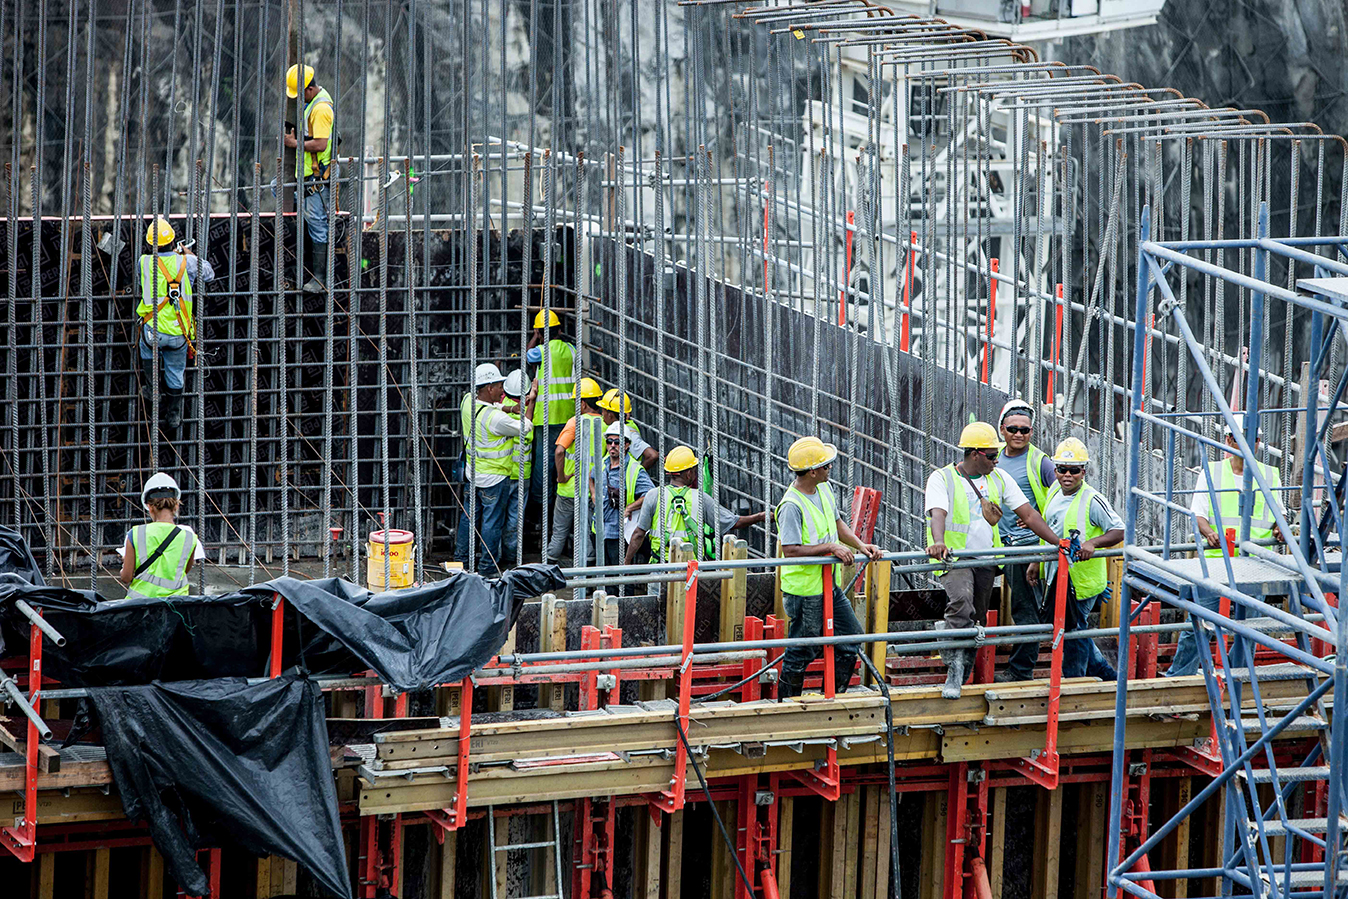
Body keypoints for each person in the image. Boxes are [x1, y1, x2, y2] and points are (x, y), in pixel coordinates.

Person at [925, 421, 1062, 698]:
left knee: (976, 620)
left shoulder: (998, 478)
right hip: (954, 558)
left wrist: (1058, 543)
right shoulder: (943, 478)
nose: (996, 459)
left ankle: (961, 675)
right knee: (961, 601)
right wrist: (939, 542)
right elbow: (937, 513)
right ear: (974, 454)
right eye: (990, 455)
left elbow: (1029, 515)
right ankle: (954, 673)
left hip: (986, 559)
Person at [1166, 416, 1285, 676]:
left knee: (1251, 627)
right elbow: (1198, 514)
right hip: (1218, 562)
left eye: (1249, 439)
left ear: (1258, 442)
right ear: (1228, 440)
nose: (1242, 444)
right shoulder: (1212, 471)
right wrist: (1209, 532)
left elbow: (1279, 515)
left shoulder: (1269, 474)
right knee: (1199, 624)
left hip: (1256, 564)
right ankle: (1179, 677)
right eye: (1237, 438)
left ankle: (1237, 677)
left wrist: (1280, 529)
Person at [775, 436, 883, 699]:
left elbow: (837, 524)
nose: (830, 469)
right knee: (803, 649)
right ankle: (787, 706)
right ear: (812, 471)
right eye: (826, 466)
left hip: (827, 585)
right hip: (804, 590)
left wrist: (861, 545)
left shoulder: (823, 489)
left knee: (850, 638)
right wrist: (830, 548)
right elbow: (789, 550)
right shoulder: (791, 506)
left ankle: (832, 698)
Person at [1028, 438, 1124, 680]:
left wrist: (1092, 543)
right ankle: (1103, 673)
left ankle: (1075, 681)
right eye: (1061, 470)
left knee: (1072, 632)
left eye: (1074, 470)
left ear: (1084, 471)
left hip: (1082, 581)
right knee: (1072, 629)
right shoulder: (1053, 491)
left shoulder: (1092, 499)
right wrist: (1037, 561)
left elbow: (1120, 530)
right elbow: (1050, 529)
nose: (1067, 476)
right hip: (1057, 576)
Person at [994, 398, 1058, 682]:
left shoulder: (1040, 461)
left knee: (1025, 609)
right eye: (1013, 428)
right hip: (997, 544)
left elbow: (1063, 498)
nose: (1019, 434)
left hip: (1027, 545)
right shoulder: (992, 456)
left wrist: (1037, 515)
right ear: (1002, 429)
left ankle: (1020, 672)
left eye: (1025, 430)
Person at [624, 446, 765, 565]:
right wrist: (759, 517)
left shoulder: (653, 495)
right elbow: (733, 522)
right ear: (689, 472)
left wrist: (626, 563)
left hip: (660, 567)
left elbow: (638, 534)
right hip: (690, 569)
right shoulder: (700, 498)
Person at [137, 217, 214, 432]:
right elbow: (209, 273)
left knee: (145, 346)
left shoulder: (144, 261)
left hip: (154, 331)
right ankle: (173, 415)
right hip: (180, 334)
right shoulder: (185, 263)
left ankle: (153, 389)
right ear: (173, 242)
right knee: (175, 372)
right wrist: (187, 255)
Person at [457, 363, 534, 576]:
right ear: (489, 388)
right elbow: (526, 426)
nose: (502, 391)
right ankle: (488, 568)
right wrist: (531, 402)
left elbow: (490, 406)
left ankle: (460, 561)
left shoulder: (467, 401)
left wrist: (510, 408)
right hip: (495, 478)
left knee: (468, 518)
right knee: (492, 524)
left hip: (473, 474)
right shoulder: (496, 420)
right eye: (499, 386)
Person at [283, 64, 335, 294]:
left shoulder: (321, 108)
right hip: (304, 175)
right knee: (278, 189)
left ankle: (321, 279)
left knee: (317, 224)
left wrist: (295, 144)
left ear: (309, 88)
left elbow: (321, 144)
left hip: (316, 177)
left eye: (300, 93)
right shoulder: (311, 104)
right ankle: (305, 265)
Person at [546, 377, 605, 565]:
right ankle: (588, 577)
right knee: (586, 534)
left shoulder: (575, 422)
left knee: (559, 533)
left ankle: (547, 569)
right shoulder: (607, 426)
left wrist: (561, 476)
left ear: (582, 403)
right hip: (591, 491)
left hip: (568, 490)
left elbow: (559, 451)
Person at [119, 472, 205, 599]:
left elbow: (126, 577)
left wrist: (126, 563)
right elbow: (183, 571)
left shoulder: (136, 534)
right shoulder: (189, 537)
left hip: (140, 608)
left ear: (150, 507)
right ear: (176, 505)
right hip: (176, 608)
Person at [526, 310, 575, 509]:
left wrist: (535, 337)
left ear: (540, 332)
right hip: (569, 416)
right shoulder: (571, 349)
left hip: (547, 416)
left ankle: (541, 504)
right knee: (566, 458)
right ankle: (563, 499)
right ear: (560, 330)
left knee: (544, 463)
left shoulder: (540, 351)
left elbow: (527, 357)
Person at [591, 421, 654, 568]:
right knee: (603, 573)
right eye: (609, 441)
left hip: (619, 533)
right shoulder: (603, 463)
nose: (612, 445)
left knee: (620, 575)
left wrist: (629, 508)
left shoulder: (634, 469)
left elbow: (650, 495)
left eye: (617, 442)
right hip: (599, 529)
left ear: (626, 445)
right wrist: (594, 494)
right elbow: (591, 476)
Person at [501, 369, 538, 566]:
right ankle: (510, 558)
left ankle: (494, 555)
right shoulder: (527, 412)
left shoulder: (500, 408)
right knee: (515, 519)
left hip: (502, 473)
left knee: (497, 517)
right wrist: (532, 400)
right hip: (521, 475)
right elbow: (528, 428)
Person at [598, 389, 660, 474]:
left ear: (610, 414)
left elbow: (653, 455)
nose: (602, 414)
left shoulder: (628, 432)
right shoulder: (617, 429)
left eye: (603, 410)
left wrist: (635, 474)